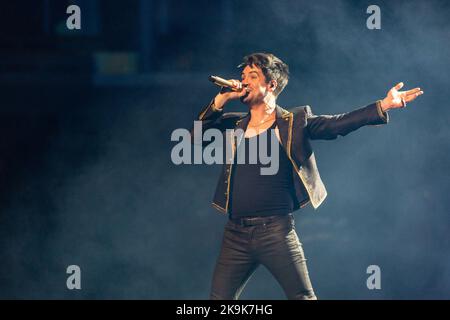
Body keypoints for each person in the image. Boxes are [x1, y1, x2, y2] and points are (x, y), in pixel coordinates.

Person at [191, 52, 423, 300]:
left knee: (302, 297)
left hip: (275, 233)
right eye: (242, 76)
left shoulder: (293, 123)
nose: (244, 81)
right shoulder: (235, 125)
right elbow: (195, 139)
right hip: (235, 234)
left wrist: (384, 105)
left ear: (272, 84)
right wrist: (221, 99)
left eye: (253, 75)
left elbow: (337, 124)